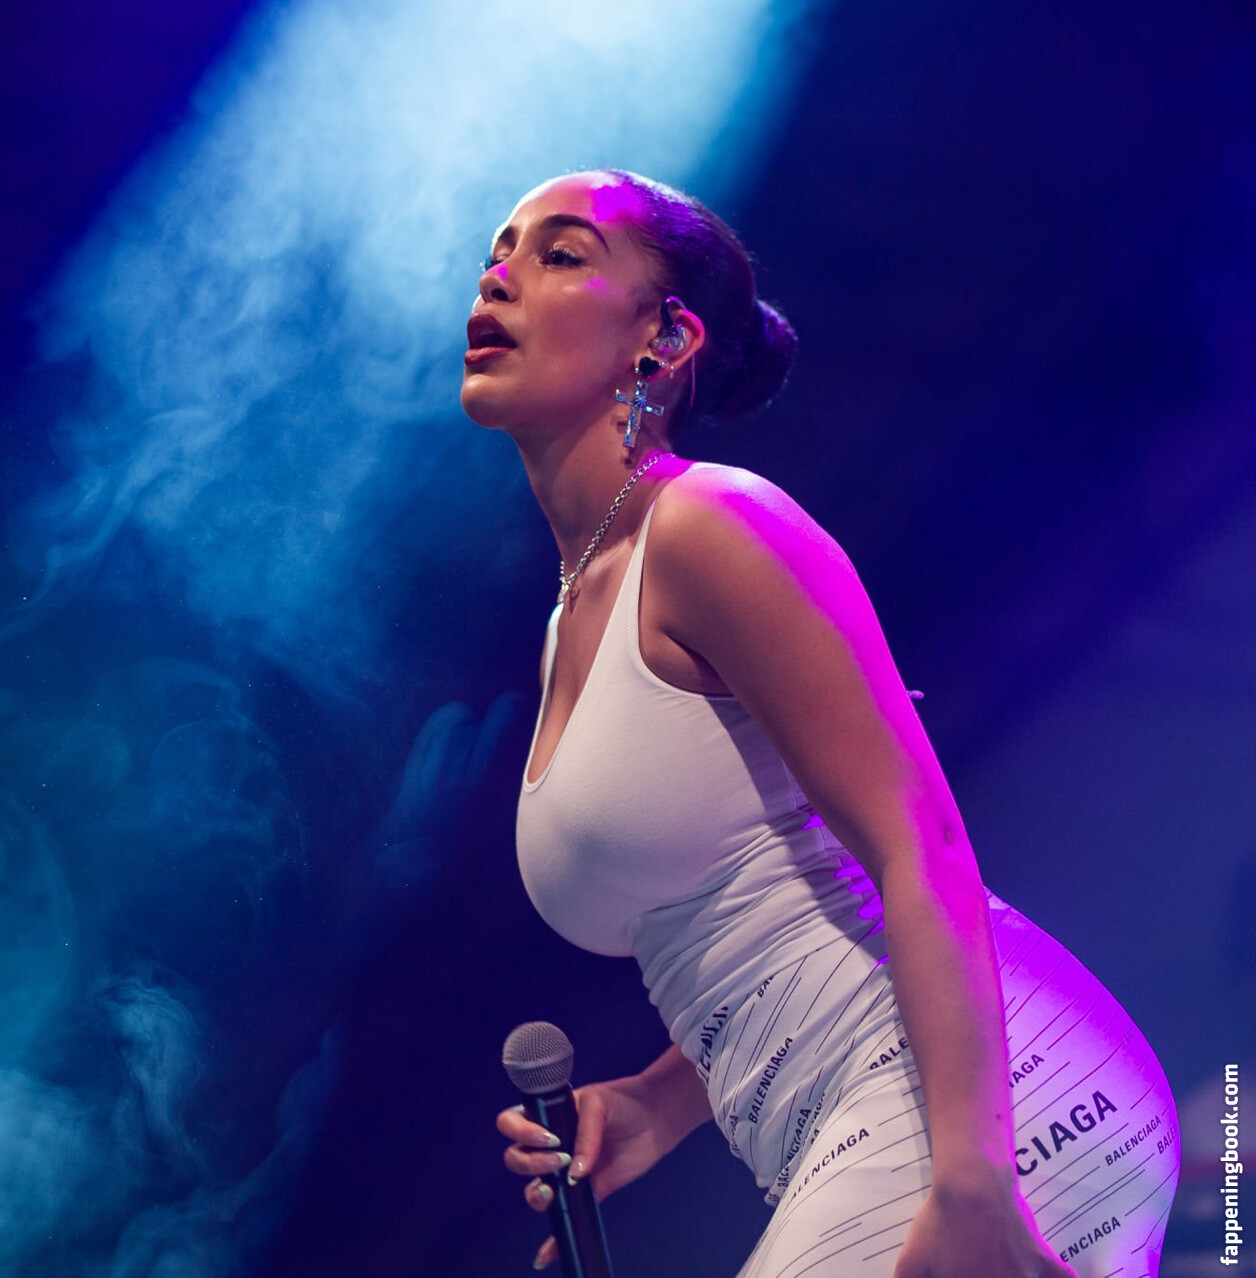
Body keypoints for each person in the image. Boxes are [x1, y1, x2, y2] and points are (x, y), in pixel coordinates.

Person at [468, 171, 1178, 1277]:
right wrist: (656, 1103)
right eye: (498, 252)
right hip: (867, 1116)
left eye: (558, 254)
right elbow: (771, 911)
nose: (499, 276)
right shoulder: (572, 618)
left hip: (984, 1104)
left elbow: (919, 843)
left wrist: (973, 1178)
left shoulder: (710, 524)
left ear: (666, 338)